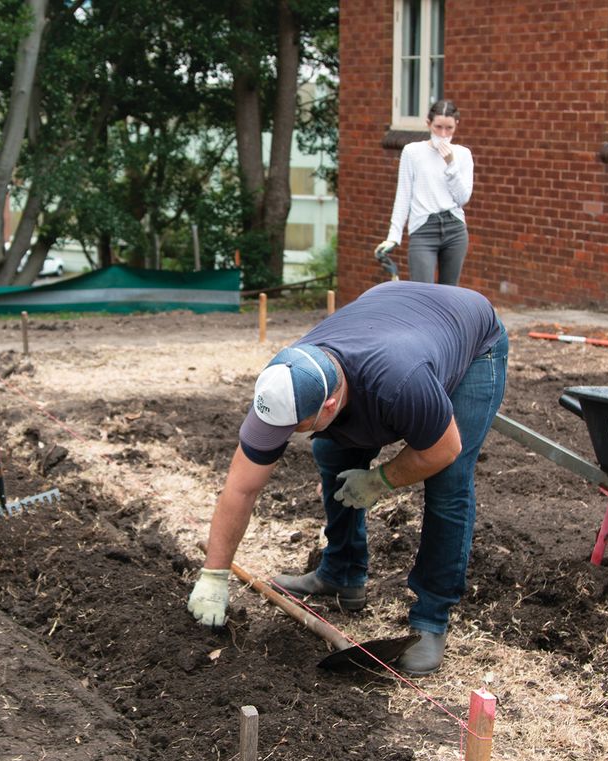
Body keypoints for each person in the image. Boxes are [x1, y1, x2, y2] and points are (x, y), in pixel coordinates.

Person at [187, 281, 507, 675]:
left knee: (448, 482)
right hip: (392, 313)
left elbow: (443, 450)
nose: (287, 436)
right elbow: (241, 486)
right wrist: (214, 575)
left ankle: (431, 620)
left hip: (470, 336)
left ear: (331, 403)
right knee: (331, 448)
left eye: (296, 426)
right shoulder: (288, 377)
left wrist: (380, 481)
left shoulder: (400, 384)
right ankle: (342, 572)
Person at [375, 100, 474, 285]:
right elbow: (403, 196)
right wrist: (393, 236)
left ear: (456, 126)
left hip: (455, 229)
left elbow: (462, 198)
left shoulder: (462, 155)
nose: (443, 134)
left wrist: (451, 165)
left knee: (449, 295)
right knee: (422, 294)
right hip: (423, 229)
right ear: (428, 124)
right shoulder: (412, 152)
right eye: (438, 127)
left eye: (449, 128)